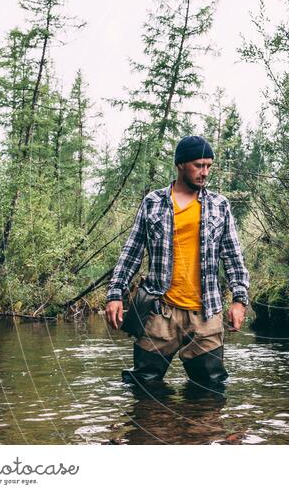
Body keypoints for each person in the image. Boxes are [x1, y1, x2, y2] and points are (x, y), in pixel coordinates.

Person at [105, 135, 250, 393]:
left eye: (209, 166)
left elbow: (233, 255)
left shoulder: (220, 206)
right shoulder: (153, 203)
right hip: (160, 312)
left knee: (210, 391)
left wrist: (239, 300)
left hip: (206, 314)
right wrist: (115, 294)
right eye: (199, 165)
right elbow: (132, 252)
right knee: (145, 388)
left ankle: (199, 435)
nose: (205, 172)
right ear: (181, 164)